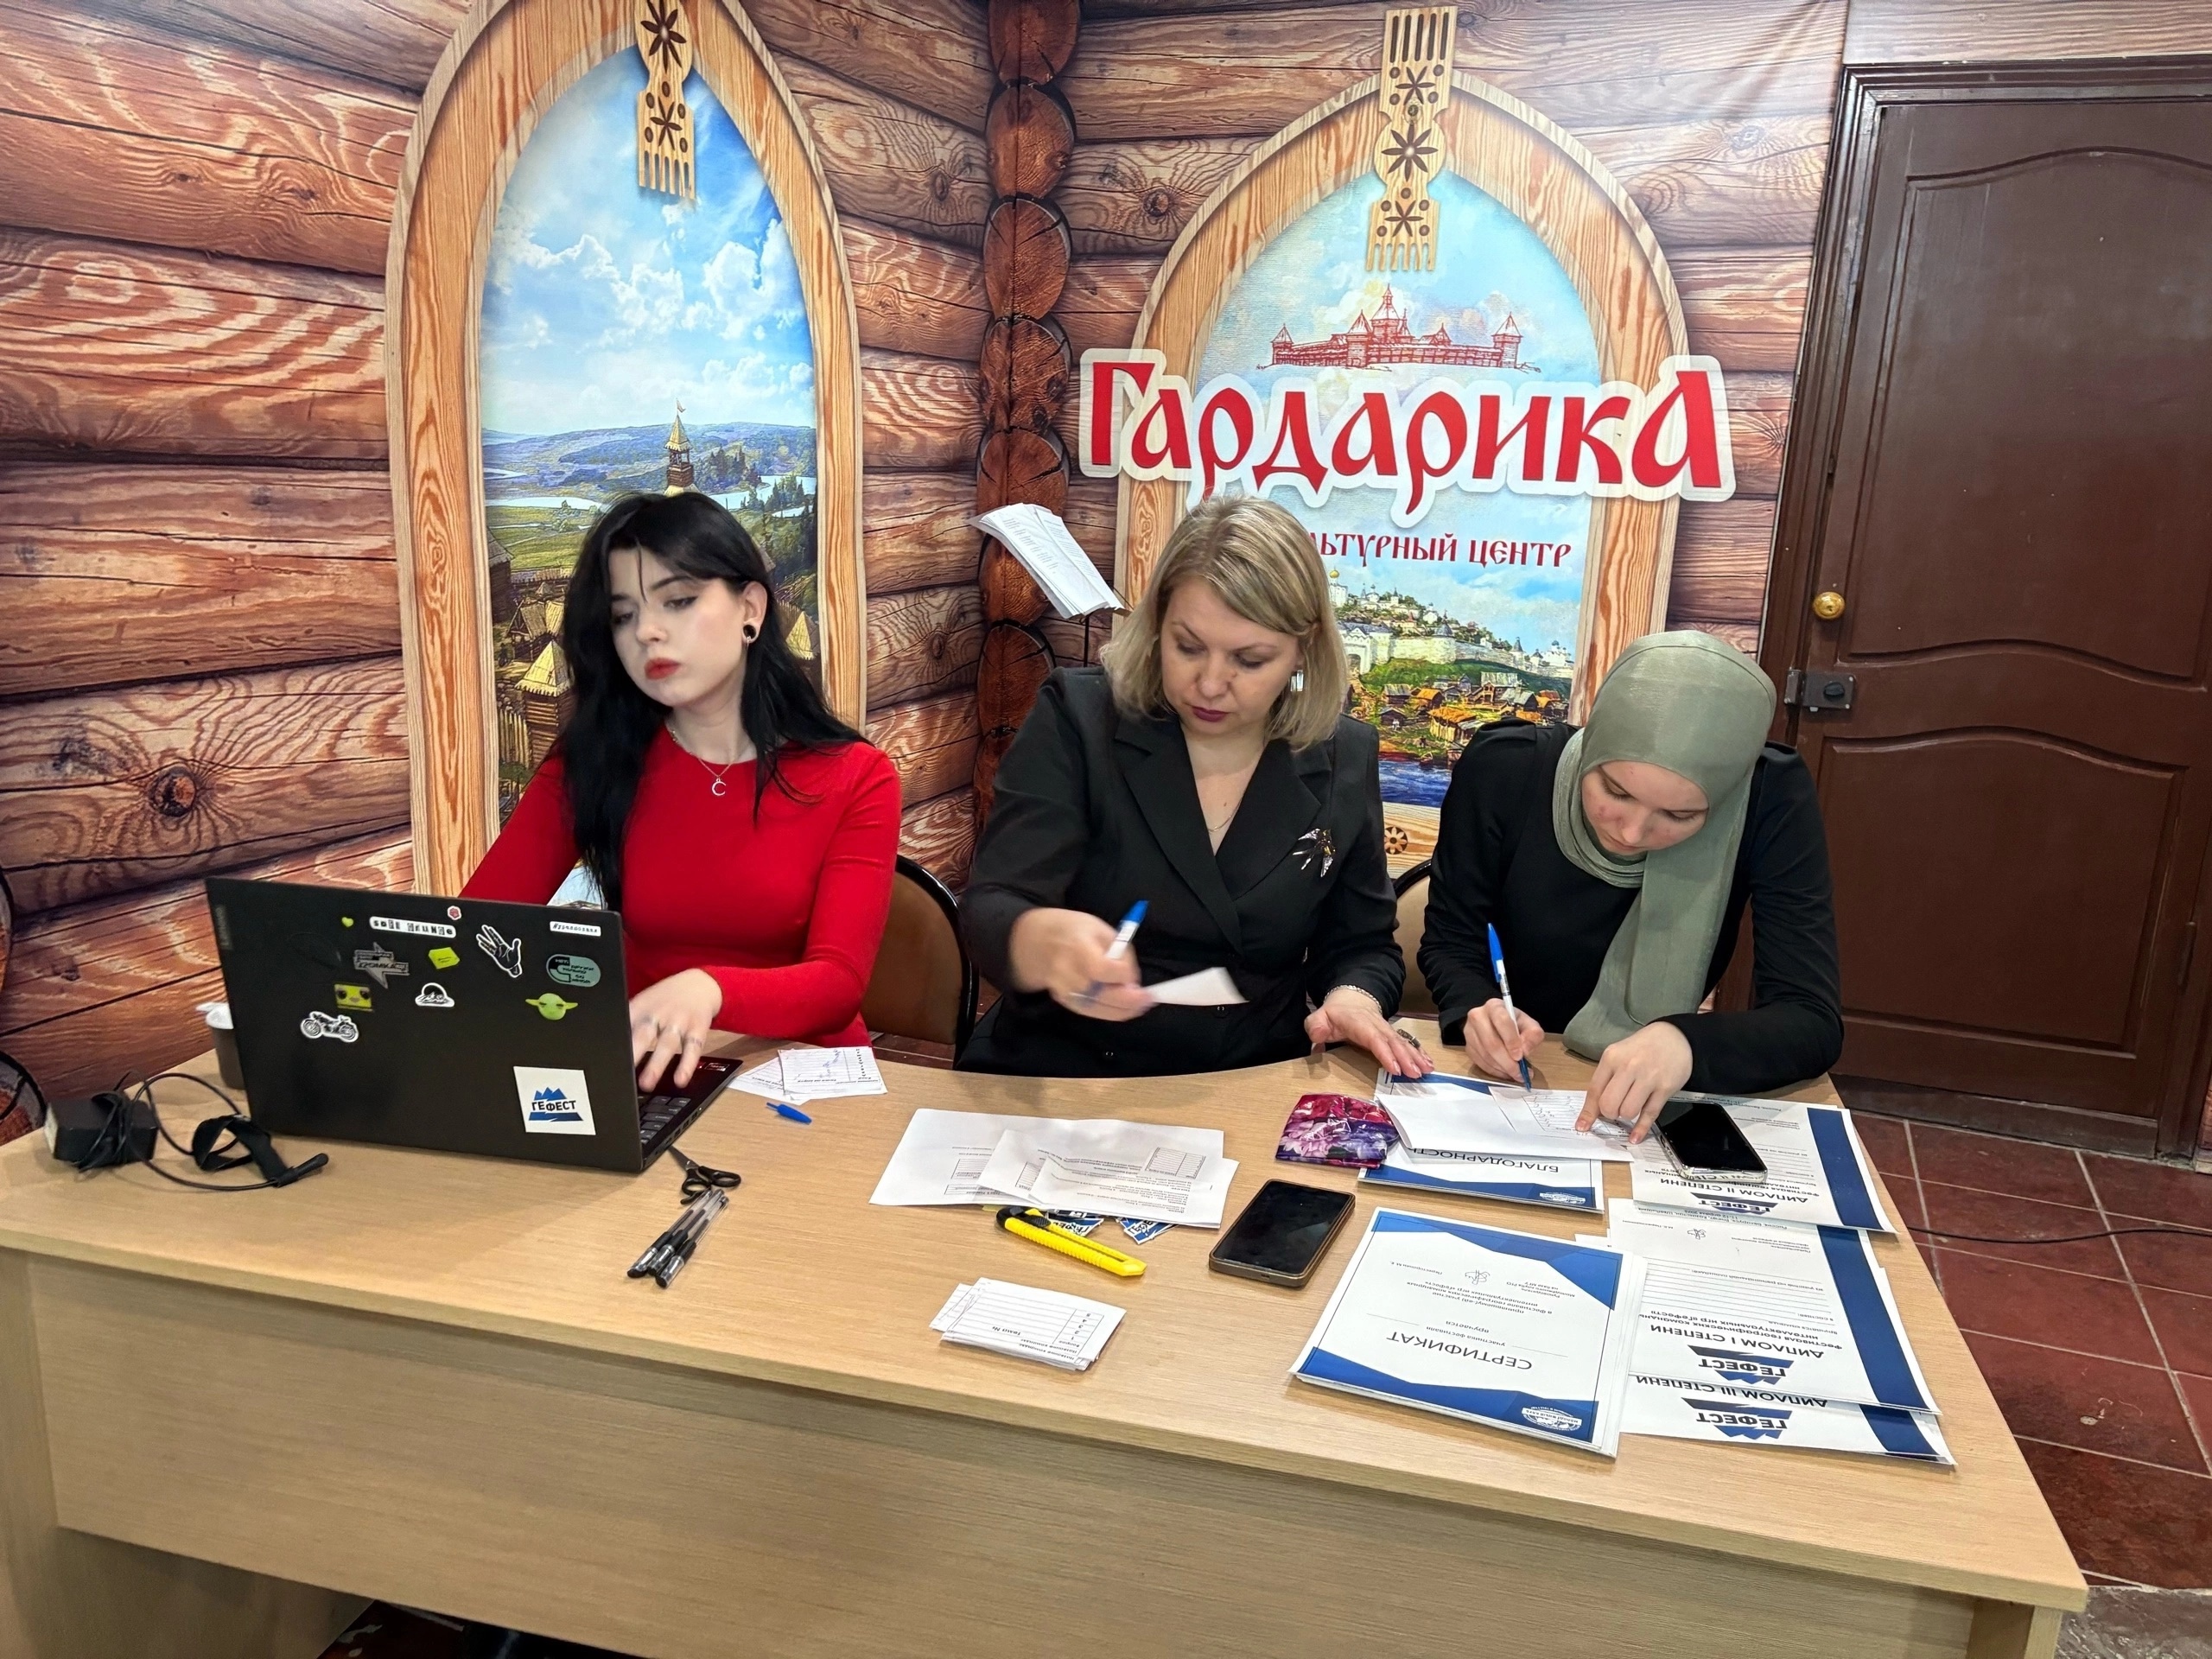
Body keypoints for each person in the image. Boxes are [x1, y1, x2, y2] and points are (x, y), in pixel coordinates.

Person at [959, 495, 1427, 1079]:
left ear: (1302, 651)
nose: (1210, 683)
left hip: (1247, 1079)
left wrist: (1352, 998)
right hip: (1064, 1071)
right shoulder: (1080, 717)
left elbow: (1362, 945)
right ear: (1158, 624)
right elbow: (992, 905)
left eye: (1249, 660)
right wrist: (1038, 939)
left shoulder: (1343, 755)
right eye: (1187, 646)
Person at [466, 492, 899, 1090]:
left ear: (750, 608)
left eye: (679, 601)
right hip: (652, 1074)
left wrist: (711, 989)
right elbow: (479, 925)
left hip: (809, 1078)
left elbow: (837, 984)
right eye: (623, 615)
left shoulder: (856, 775)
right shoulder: (592, 762)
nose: (647, 632)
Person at [1419, 629, 1842, 1140]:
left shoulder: (1766, 798)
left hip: (1646, 1096)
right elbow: (1452, 939)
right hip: (1512, 1079)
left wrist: (1685, 1043)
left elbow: (1811, 1019)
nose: (1632, 833)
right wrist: (1475, 1005)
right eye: (1615, 791)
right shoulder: (1508, 767)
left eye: (1681, 815)